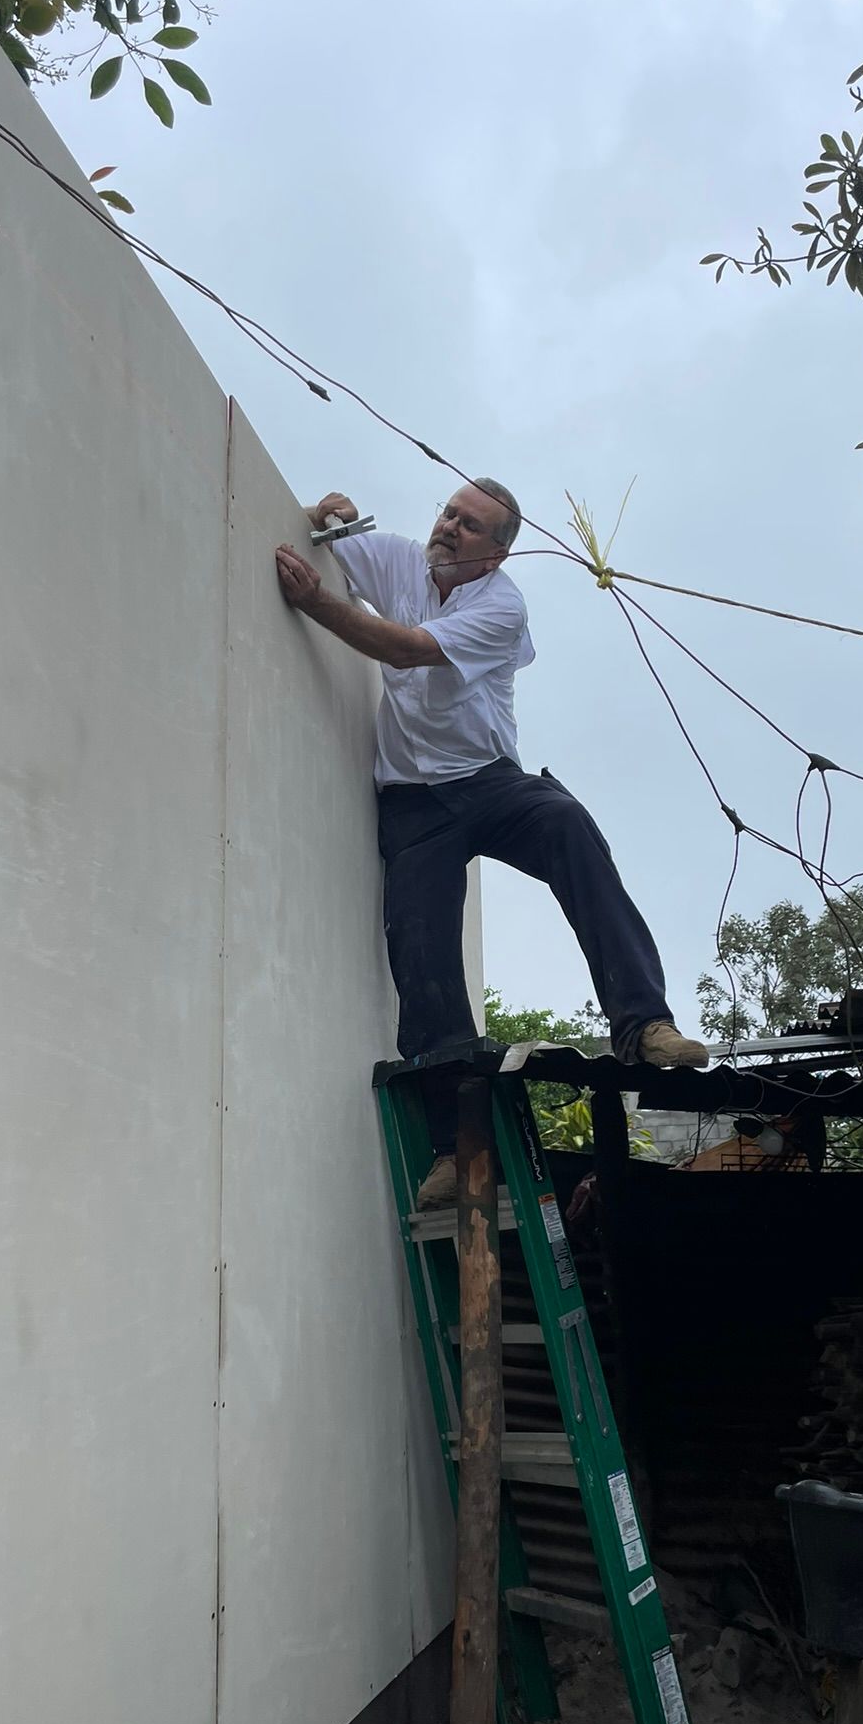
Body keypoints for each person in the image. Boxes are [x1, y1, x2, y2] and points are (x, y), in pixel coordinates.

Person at [274, 478, 709, 1208]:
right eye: (448, 513)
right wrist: (323, 512)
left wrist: (317, 602)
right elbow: (329, 534)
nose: (448, 529)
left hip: (488, 782)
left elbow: (410, 650)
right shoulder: (398, 560)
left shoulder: (501, 607)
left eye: (470, 526)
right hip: (414, 807)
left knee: (569, 825)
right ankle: (455, 1147)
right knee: (423, 962)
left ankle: (643, 1022)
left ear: (496, 555)